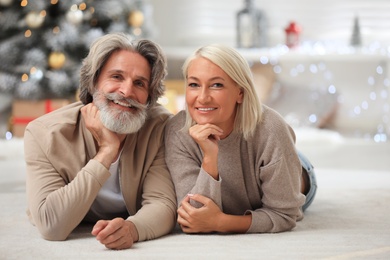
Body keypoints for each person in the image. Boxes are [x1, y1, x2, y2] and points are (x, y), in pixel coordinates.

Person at [24, 33, 177, 250]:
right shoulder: (44, 134)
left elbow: (163, 204)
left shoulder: (160, 128)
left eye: (139, 83)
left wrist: (132, 229)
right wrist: (106, 151)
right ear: (94, 82)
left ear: (149, 97)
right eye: (116, 77)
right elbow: (51, 225)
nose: (126, 91)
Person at [165, 44, 317, 234]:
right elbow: (194, 216)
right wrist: (210, 157)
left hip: (295, 172)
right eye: (194, 84)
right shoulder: (177, 131)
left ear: (240, 92)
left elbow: (284, 215)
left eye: (216, 85)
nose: (202, 98)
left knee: (279, 156)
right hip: (257, 160)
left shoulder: (271, 129)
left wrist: (220, 222)